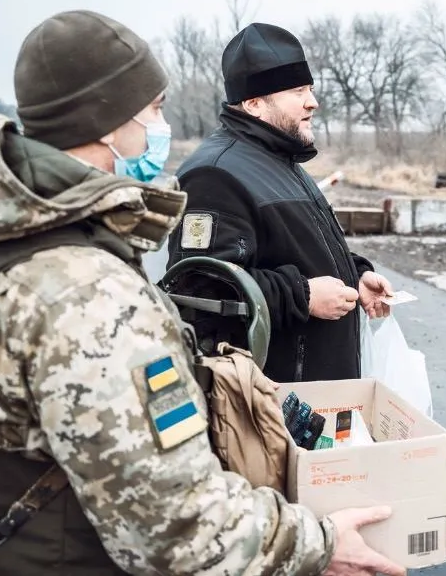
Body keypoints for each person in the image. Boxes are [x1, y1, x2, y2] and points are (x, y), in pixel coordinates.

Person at [0, 9, 404, 575]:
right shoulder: (82, 287)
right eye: (155, 109)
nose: (159, 127)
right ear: (108, 121)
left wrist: (350, 269)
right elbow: (176, 522)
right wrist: (320, 542)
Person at [167, 22, 392, 383]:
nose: (312, 102)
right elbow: (198, 293)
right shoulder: (215, 173)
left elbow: (296, 248)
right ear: (254, 103)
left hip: (315, 397)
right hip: (271, 405)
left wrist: (356, 274)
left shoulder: (281, 160)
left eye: (311, 89)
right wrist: (301, 295)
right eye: (298, 90)